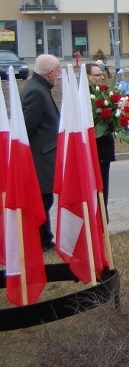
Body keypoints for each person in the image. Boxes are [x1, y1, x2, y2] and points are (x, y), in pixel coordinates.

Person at [21, 54, 61, 252]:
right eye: (58, 72)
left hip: (44, 156)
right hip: (39, 158)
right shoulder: (36, 92)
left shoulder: (40, 87)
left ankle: (45, 239)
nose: (58, 75)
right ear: (50, 72)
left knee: (45, 201)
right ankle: (41, 242)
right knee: (41, 202)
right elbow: (26, 128)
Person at [85, 63, 115, 215]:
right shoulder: (84, 95)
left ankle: (103, 216)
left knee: (104, 185)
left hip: (104, 147)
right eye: (96, 75)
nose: (100, 77)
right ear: (87, 76)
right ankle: (96, 217)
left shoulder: (104, 93)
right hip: (92, 147)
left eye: (101, 74)